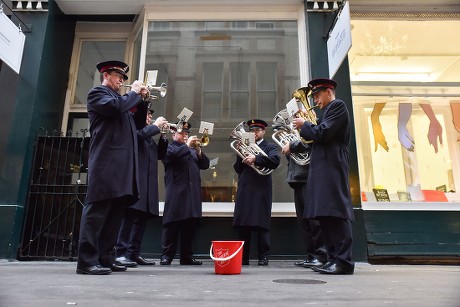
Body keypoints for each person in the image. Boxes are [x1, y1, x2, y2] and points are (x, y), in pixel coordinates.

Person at [76, 60, 150, 275]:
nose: (122, 81)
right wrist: (134, 93)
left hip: (123, 167)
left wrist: (142, 100)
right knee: (96, 214)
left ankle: (105, 258)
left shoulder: (122, 101)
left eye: (124, 78)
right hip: (106, 164)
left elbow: (137, 125)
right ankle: (86, 261)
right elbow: (115, 108)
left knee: (114, 216)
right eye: (118, 76)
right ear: (106, 75)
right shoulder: (98, 94)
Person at [293, 78, 355, 275]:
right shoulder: (327, 113)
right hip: (323, 167)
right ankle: (333, 258)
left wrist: (305, 125)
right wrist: (306, 128)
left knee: (335, 212)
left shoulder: (338, 106)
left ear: (329, 91)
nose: (316, 101)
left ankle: (344, 261)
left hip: (332, 165)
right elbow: (315, 137)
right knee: (325, 214)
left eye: (318, 96)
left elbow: (324, 133)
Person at [114, 109, 168, 267]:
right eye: (148, 115)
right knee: (128, 218)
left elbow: (159, 155)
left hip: (148, 184)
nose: (150, 117)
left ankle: (133, 253)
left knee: (141, 219)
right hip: (136, 183)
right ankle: (119, 252)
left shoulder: (149, 136)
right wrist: (156, 126)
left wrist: (163, 136)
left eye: (152, 115)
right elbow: (138, 137)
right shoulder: (135, 131)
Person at [159, 122, 210, 265]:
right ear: (173, 134)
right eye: (182, 133)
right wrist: (187, 145)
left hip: (192, 194)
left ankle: (186, 256)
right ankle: (166, 255)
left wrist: (199, 151)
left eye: (186, 134)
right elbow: (173, 156)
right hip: (176, 192)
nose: (185, 135)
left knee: (190, 225)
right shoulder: (169, 148)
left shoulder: (192, 150)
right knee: (172, 225)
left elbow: (205, 165)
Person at [232, 119, 280, 266]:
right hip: (245, 188)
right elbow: (238, 169)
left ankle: (263, 257)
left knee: (262, 224)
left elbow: (275, 161)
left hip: (261, 189)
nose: (255, 133)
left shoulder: (270, 146)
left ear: (263, 132)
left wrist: (256, 158)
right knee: (243, 225)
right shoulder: (244, 145)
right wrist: (240, 155)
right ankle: (243, 258)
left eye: (257, 130)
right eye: (252, 130)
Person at [281, 141, 326, 269]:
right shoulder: (297, 137)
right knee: (304, 222)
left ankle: (322, 255)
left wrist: (292, 146)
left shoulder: (307, 131)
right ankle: (312, 255)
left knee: (314, 220)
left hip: (308, 178)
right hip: (297, 178)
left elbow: (310, 144)